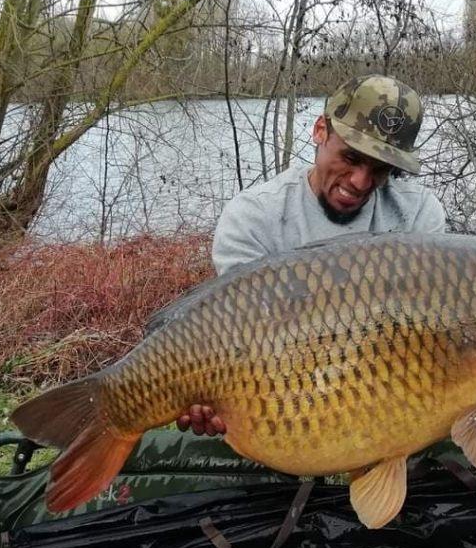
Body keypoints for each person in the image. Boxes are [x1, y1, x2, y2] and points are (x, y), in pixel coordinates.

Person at [178, 74, 446, 437]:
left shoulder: (418, 216)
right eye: (351, 157)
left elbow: (424, 336)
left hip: (383, 397)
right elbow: (241, 342)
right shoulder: (253, 217)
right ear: (321, 130)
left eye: (381, 168)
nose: (361, 181)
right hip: (284, 395)